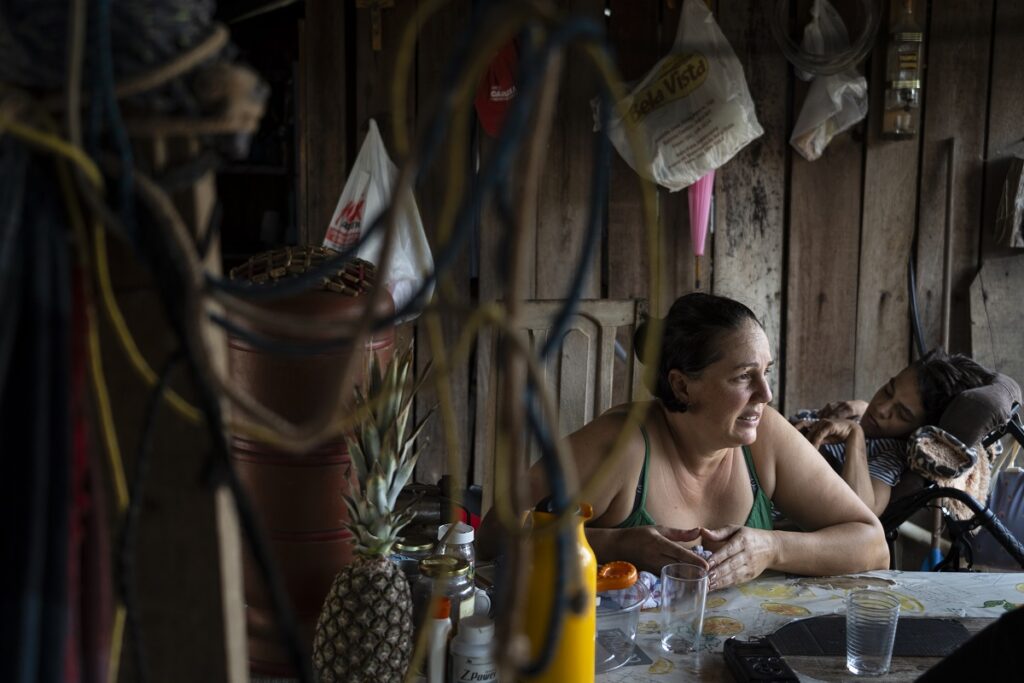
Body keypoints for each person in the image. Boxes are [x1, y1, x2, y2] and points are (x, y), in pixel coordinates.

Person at [479, 293, 889, 591]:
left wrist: (773, 548)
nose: (765, 394)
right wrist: (614, 543)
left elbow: (872, 545)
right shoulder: (621, 447)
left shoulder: (766, 438)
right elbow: (495, 535)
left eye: (766, 372)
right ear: (682, 384)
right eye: (743, 376)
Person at [793, 349, 998, 516]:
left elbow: (863, 513)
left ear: (917, 430)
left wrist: (855, 436)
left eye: (901, 413)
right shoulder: (856, 416)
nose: (881, 408)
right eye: (888, 390)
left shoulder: (889, 453)